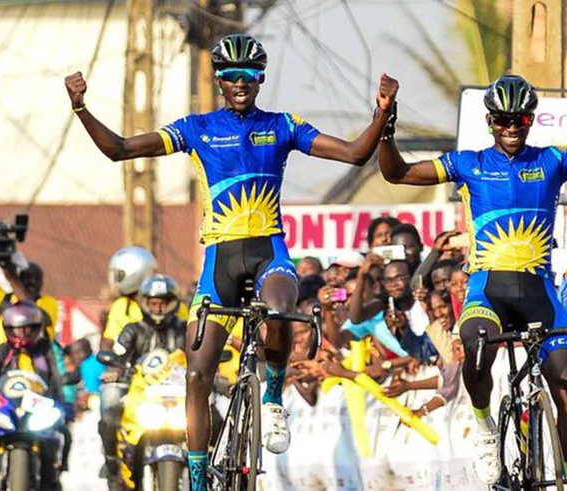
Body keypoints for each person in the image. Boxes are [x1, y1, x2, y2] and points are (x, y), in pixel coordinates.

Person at [66, 32, 398, 490]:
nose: (241, 82)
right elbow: (119, 149)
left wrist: (381, 113)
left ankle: (274, 395)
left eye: (250, 75)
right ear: (220, 80)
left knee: (281, 307)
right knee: (198, 373)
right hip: (219, 261)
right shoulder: (196, 128)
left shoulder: (282, 125)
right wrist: (81, 108)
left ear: (261, 79)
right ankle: (200, 476)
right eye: (232, 75)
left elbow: (355, 154)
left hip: (268, 252)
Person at [377, 74, 567, 483]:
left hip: (539, 292)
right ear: (490, 121)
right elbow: (397, 173)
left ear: (531, 120)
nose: (511, 127)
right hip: (487, 289)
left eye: (520, 120)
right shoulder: (468, 163)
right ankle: (483, 425)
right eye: (503, 120)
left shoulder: (552, 158)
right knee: (477, 350)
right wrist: (386, 124)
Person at [103, 274, 186, 489]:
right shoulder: (132, 330)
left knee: (218, 412)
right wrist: (115, 369)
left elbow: (199, 355)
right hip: (140, 396)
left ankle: (216, 464)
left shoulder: (185, 329)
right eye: (153, 303)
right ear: (144, 303)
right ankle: (113, 463)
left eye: (163, 303)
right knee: (109, 403)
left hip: (179, 395)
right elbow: (117, 355)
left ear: (173, 304)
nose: (158, 309)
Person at [0, 303, 64, 491]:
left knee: (60, 435)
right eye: (17, 329)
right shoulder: (1, 352)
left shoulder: (46, 351)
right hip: (5, 410)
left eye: (27, 328)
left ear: (38, 328)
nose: (22, 334)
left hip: (37, 410)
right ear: (7, 330)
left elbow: (57, 380)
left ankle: (51, 479)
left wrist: (63, 404)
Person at [96, 246, 157, 488]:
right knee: (109, 403)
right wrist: (112, 364)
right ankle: (112, 464)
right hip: (129, 377)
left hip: (164, 380)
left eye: (119, 274)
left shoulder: (173, 303)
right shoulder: (121, 307)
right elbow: (108, 342)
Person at [0, 230, 58, 352]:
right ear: (20, 279)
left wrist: (11, 275)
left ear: (42, 283)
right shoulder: (1, 299)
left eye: (36, 279)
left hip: (33, 369)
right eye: (27, 278)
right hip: (1, 366)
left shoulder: (48, 303)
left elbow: (30, 310)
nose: (32, 283)